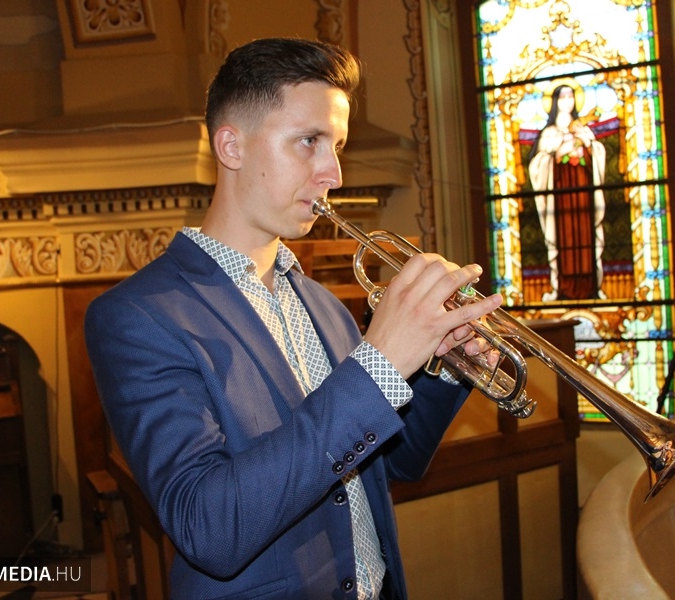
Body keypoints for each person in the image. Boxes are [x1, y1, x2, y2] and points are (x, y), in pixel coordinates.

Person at [85, 37, 503, 599]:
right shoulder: (136, 317)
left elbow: (391, 465)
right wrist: (378, 366)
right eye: (309, 141)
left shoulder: (324, 305)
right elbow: (207, 527)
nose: (333, 173)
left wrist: (447, 365)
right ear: (231, 146)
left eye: (338, 146)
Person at [527, 83, 607, 301]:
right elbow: (538, 165)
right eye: (562, 97)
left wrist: (588, 146)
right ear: (555, 102)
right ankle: (561, 287)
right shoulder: (549, 133)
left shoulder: (583, 128)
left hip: (583, 196)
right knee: (565, 242)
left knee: (585, 240)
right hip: (561, 199)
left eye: (571, 97)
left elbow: (597, 155)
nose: (567, 101)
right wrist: (558, 152)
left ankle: (591, 287)